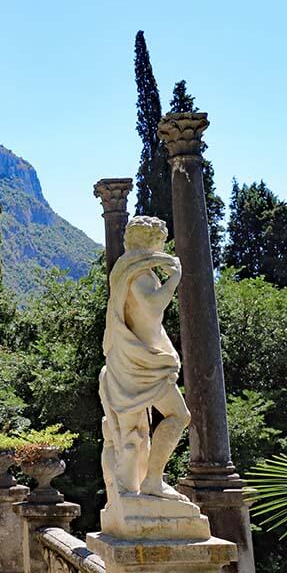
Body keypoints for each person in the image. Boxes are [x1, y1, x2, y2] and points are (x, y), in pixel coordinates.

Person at [99, 215, 189, 501]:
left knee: (136, 431)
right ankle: (151, 480)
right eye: (161, 240)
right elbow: (151, 306)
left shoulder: (128, 270)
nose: (164, 245)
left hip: (138, 360)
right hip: (139, 365)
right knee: (178, 416)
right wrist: (175, 277)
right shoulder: (138, 273)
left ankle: (142, 482)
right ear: (152, 241)